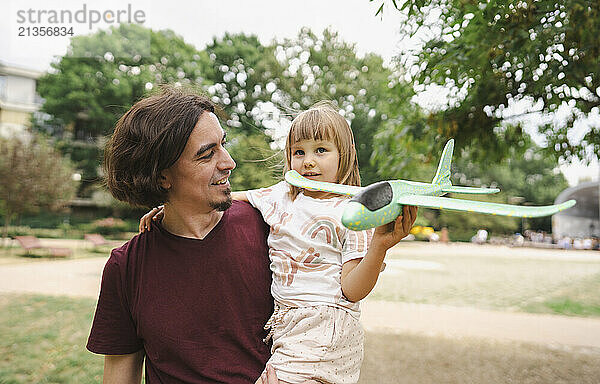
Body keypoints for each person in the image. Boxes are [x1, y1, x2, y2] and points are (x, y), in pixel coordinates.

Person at [140, 102, 417, 383]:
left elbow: (353, 290)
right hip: (286, 321)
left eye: (321, 150)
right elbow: (226, 199)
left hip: (325, 324)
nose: (308, 160)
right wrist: (169, 208)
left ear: (343, 156)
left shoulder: (350, 211)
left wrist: (379, 246)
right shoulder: (279, 196)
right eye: (299, 152)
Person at [87, 87, 275, 383]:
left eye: (223, 145)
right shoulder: (126, 267)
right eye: (207, 154)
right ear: (161, 176)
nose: (228, 162)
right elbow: (119, 374)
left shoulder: (271, 230)